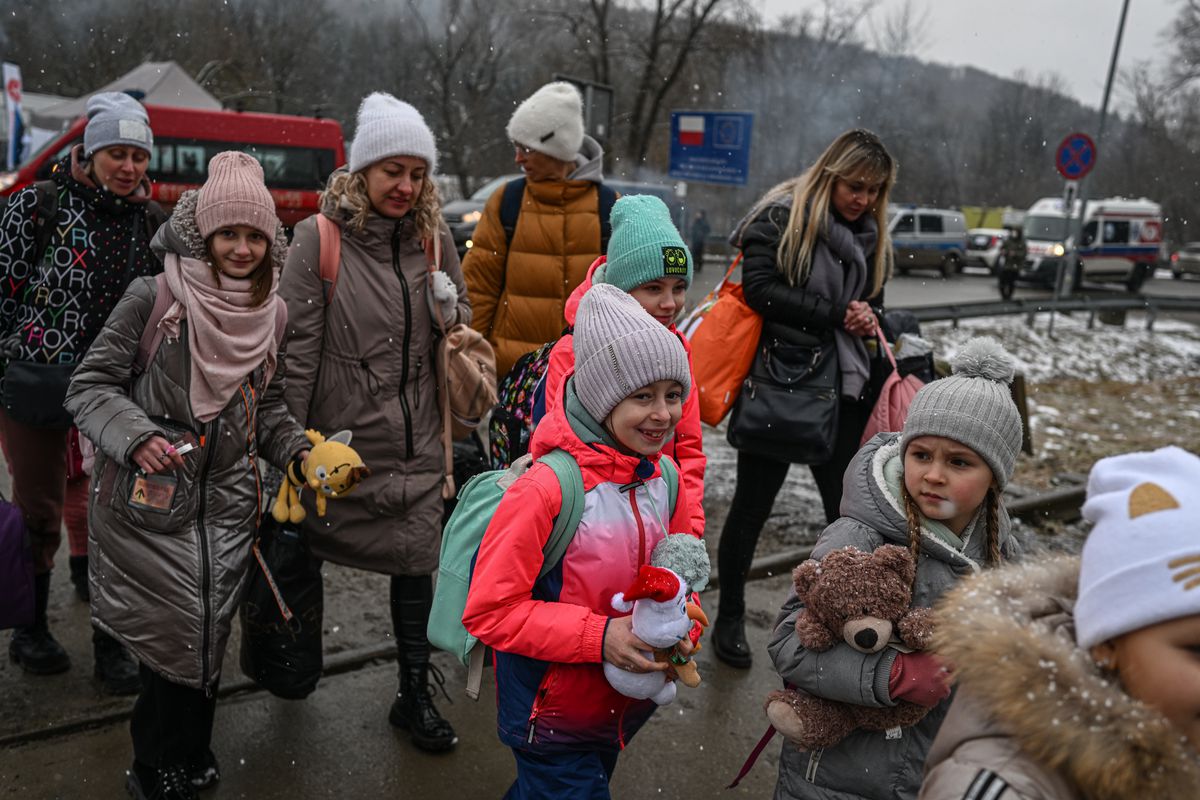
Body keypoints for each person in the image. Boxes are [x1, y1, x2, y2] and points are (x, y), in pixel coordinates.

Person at [64, 151, 309, 800]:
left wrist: (301, 454)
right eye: (229, 233)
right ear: (203, 234)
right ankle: (153, 767)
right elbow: (89, 386)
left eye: (255, 236)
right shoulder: (156, 296)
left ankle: (193, 753)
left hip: (229, 509)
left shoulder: (273, 314)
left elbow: (271, 407)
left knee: (206, 639)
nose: (241, 248)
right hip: (151, 507)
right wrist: (136, 433)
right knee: (166, 644)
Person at [278, 92, 470, 752]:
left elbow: (460, 336)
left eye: (417, 173)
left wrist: (452, 313)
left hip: (416, 445)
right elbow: (295, 356)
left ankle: (413, 695)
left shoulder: (433, 238)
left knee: (417, 566)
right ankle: (288, 670)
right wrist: (287, 453)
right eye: (393, 170)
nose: (406, 186)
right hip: (339, 452)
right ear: (362, 171)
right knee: (298, 552)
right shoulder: (318, 239)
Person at [463, 283, 698, 799]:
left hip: (617, 711)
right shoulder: (547, 489)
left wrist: (683, 626)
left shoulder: (668, 480)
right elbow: (490, 611)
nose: (663, 414)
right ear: (600, 398)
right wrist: (600, 637)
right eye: (642, 396)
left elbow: (676, 579)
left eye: (672, 394)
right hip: (549, 717)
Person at [767, 337, 1024, 800]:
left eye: (959, 462)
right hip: (837, 781)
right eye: (921, 455)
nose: (934, 475)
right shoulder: (860, 536)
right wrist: (892, 674)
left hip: (934, 776)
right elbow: (789, 643)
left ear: (995, 478)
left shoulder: (1000, 550)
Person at [919, 445, 1200, 799]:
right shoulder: (1005, 786)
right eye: (1197, 650)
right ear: (1107, 642)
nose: (933, 476)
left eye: (958, 462)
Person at [714, 128, 897, 668]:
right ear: (830, 175)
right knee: (751, 506)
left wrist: (869, 316)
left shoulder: (869, 235)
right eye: (854, 186)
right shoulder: (782, 215)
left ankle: (840, 616)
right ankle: (730, 616)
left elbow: (874, 302)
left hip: (842, 386)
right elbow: (760, 289)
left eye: (874, 190)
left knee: (847, 513)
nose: (862, 199)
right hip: (781, 378)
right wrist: (836, 312)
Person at [0, 91, 163, 695]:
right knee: (38, 511)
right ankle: (30, 627)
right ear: (89, 155)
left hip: (115, 396)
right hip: (35, 386)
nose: (128, 167)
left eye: (138, 155)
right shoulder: (36, 207)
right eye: (116, 153)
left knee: (112, 515)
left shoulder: (151, 224)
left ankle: (110, 640)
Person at [537, 194, 706, 535]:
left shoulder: (676, 346)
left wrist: (688, 528)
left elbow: (687, 448)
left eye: (679, 287)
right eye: (654, 287)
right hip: (593, 524)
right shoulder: (574, 351)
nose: (670, 303)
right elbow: (556, 447)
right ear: (619, 289)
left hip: (660, 512)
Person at [463, 81, 612, 377]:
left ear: (557, 148)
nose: (518, 158)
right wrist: (470, 358)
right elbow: (479, 288)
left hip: (584, 380)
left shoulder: (609, 208)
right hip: (513, 378)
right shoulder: (507, 201)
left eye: (526, 148)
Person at [997, 225, 1025, 300]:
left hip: (1015, 267)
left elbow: (1023, 254)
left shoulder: (1021, 242)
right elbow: (1002, 248)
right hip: (1006, 265)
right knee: (1002, 282)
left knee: (1011, 282)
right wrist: (1003, 252)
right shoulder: (1008, 240)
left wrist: (1015, 254)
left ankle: (1009, 297)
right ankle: (1004, 296)